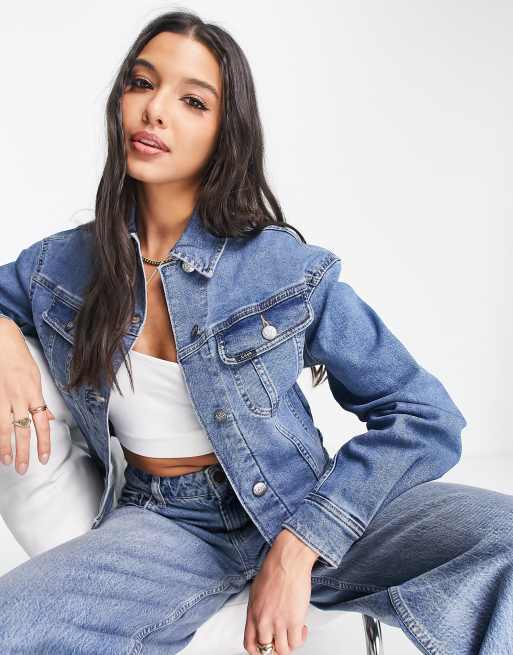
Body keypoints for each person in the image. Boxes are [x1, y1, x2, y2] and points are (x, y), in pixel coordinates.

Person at [0, 10, 512, 655]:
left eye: (192, 101)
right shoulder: (60, 266)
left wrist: (301, 546)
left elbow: (426, 416)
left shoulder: (281, 268)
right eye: (142, 83)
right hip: (165, 525)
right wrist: (3, 339)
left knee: (505, 544)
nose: (155, 110)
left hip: (305, 502)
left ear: (225, 133)